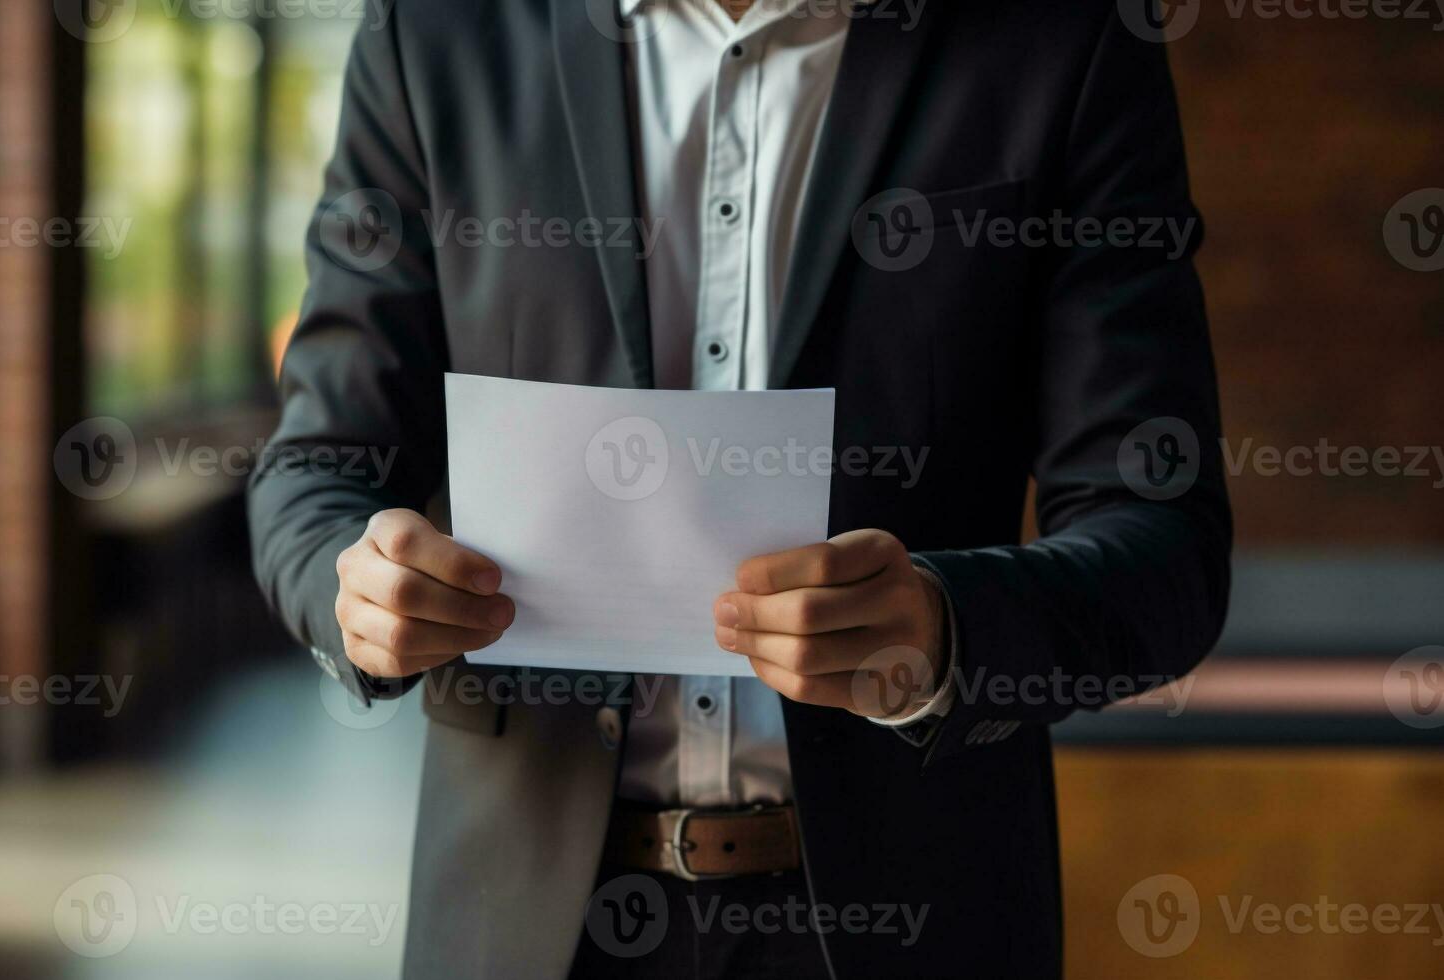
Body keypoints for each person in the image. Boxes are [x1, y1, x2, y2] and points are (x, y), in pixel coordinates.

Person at [249, 0, 1231, 976]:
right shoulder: (433, 33)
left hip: (920, 913)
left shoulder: (1066, 41)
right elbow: (316, 469)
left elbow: (1163, 537)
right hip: (522, 918)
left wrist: (944, 627)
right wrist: (355, 586)